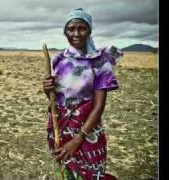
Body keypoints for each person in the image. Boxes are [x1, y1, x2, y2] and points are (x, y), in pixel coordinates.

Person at [43, 8, 123, 180]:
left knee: (90, 173)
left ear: (89, 31)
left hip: (87, 130)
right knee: (65, 172)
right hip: (60, 127)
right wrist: (47, 89)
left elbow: (99, 106)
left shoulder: (100, 61)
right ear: (65, 32)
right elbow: (55, 99)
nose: (76, 33)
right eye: (71, 29)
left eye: (82, 28)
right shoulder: (58, 60)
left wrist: (78, 139)